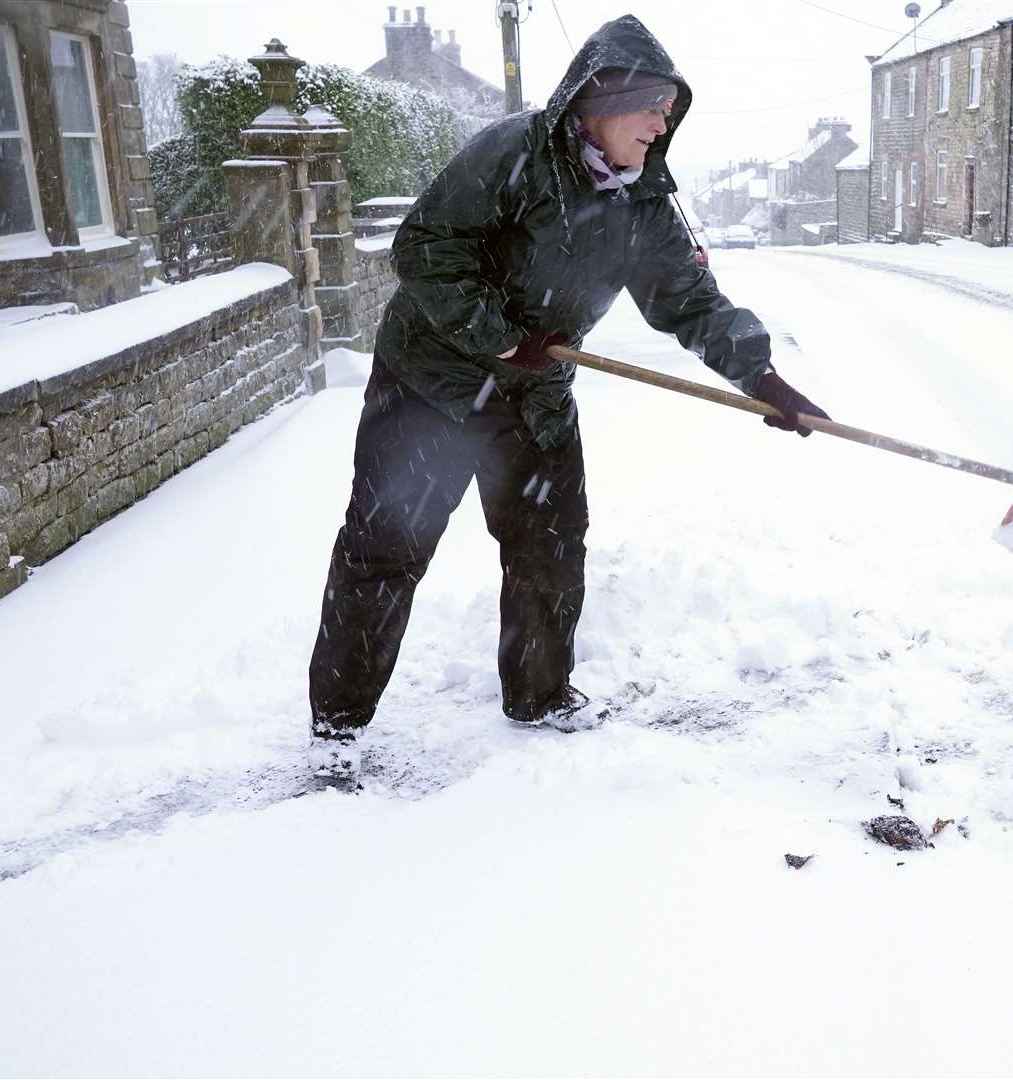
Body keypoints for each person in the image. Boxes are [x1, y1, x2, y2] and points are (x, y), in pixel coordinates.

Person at [305, 15, 827, 790]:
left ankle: (540, 699)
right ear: (601, 100)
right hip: (433, 385)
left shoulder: (644, 203)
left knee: (551, 543)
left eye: (669, 114)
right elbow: (424, 246)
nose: (662, 125)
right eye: (653, 108)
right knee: (386, 550)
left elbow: (691, 303)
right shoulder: (513, 155)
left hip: (534, 395)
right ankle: (338, 725)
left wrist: (763, 380)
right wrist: (499, 335)